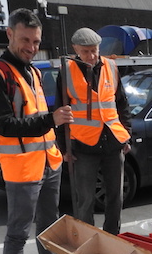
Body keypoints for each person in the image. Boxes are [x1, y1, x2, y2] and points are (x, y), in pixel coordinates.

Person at [0, 8, 73, 254]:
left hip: (48, 162)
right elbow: (5, 125)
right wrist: (52, 118)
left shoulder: (33, 72)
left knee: (49, 227)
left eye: (35, 41)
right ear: (9, 34)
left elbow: (37, 117)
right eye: (25, 40)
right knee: (18, 233)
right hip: (21, 168)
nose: (31, 47)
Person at [56, 27, 132, 233]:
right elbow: (60, 112)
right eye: (85, 51)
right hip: (83, 146)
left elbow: (122, 104)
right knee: (85, 200)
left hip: (113, 141)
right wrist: (65, 149)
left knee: (115, 198)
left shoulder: (111, 67)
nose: (91, 56)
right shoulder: (66, 71)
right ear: (75, 49)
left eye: (94, 50)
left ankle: (112, 238)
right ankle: (88, 241)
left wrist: (126, 135)